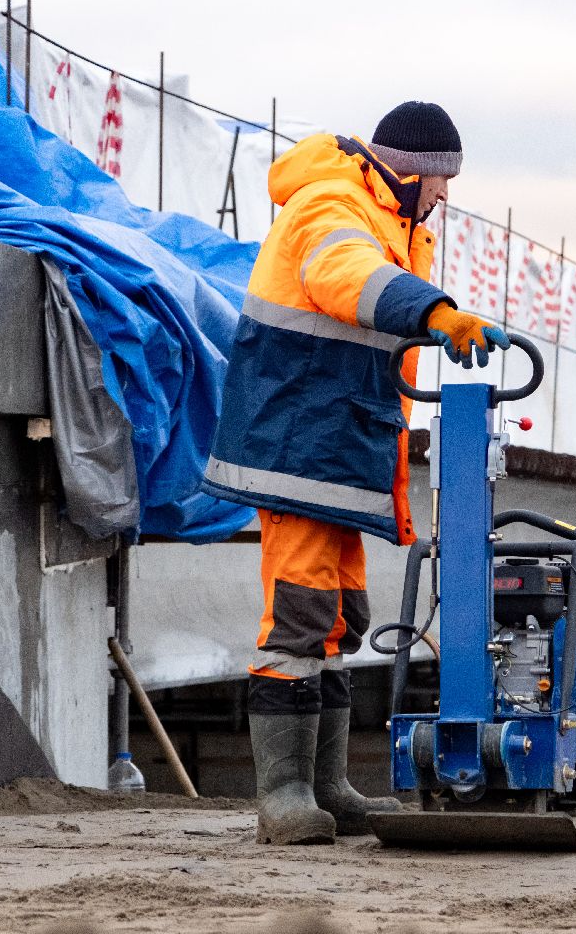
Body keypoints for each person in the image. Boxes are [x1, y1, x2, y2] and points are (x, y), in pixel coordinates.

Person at [202, 101, 509, 845]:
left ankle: (329, 787)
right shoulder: (331, 202)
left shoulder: (402, 226)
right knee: (298, 619)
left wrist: (431, 312)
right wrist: (437, 313)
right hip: (298, 442)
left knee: (341, 618)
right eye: (442, 183)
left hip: (339, 446)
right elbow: (348, 278)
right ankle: (283, 795)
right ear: (413, 173)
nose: (444, 198)